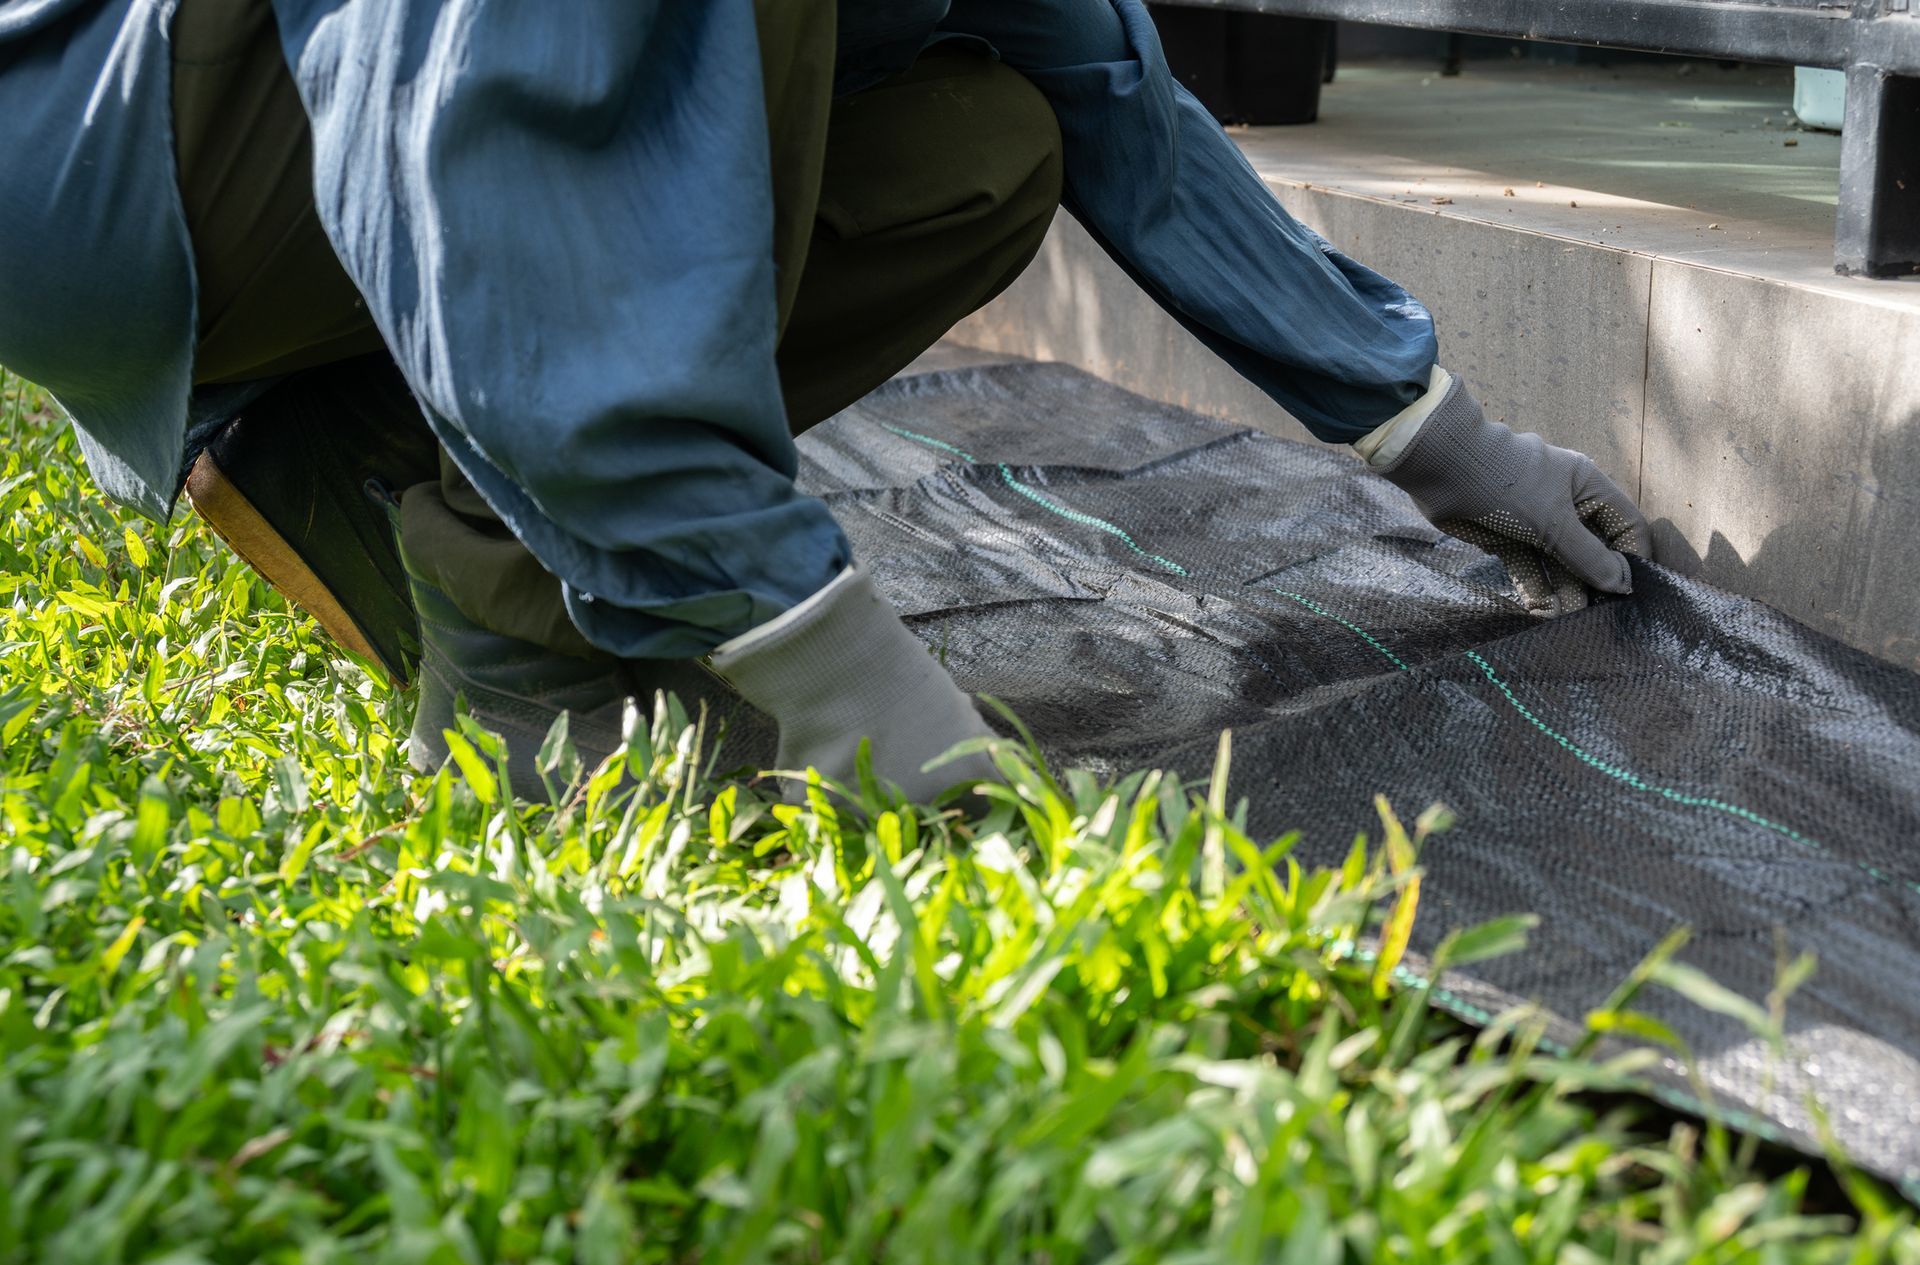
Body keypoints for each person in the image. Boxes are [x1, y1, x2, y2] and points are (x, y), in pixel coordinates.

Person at [0, 0, 1647, 802]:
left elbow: (1099, 77)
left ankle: (343, 443)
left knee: (983, 146)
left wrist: (1433, 430)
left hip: (279, 151)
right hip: (106, 153)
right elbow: (466, 114)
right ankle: (524, 667)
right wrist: (830, 660)